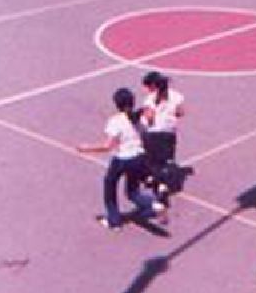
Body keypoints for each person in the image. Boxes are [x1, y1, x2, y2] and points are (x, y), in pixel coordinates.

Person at [76, 87, 165, 230]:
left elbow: (108, 146)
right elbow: (148, 127)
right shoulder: (139, 118)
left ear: (116, 104)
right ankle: (152, 204)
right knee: (132, 192)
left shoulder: (115, 121)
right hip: (139, 157)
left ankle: (114, 220)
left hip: (122, 160)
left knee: (109, 186)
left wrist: (86, 148)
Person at [141, 71, 185, 202]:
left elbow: (149, 118)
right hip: (169, 132)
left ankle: (159, 184)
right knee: (165, 160)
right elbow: (180, 112)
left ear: (153, 86)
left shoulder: (150, 99)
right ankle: (162, 183)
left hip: (153, 133)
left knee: (153, 161)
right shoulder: (177, 96)